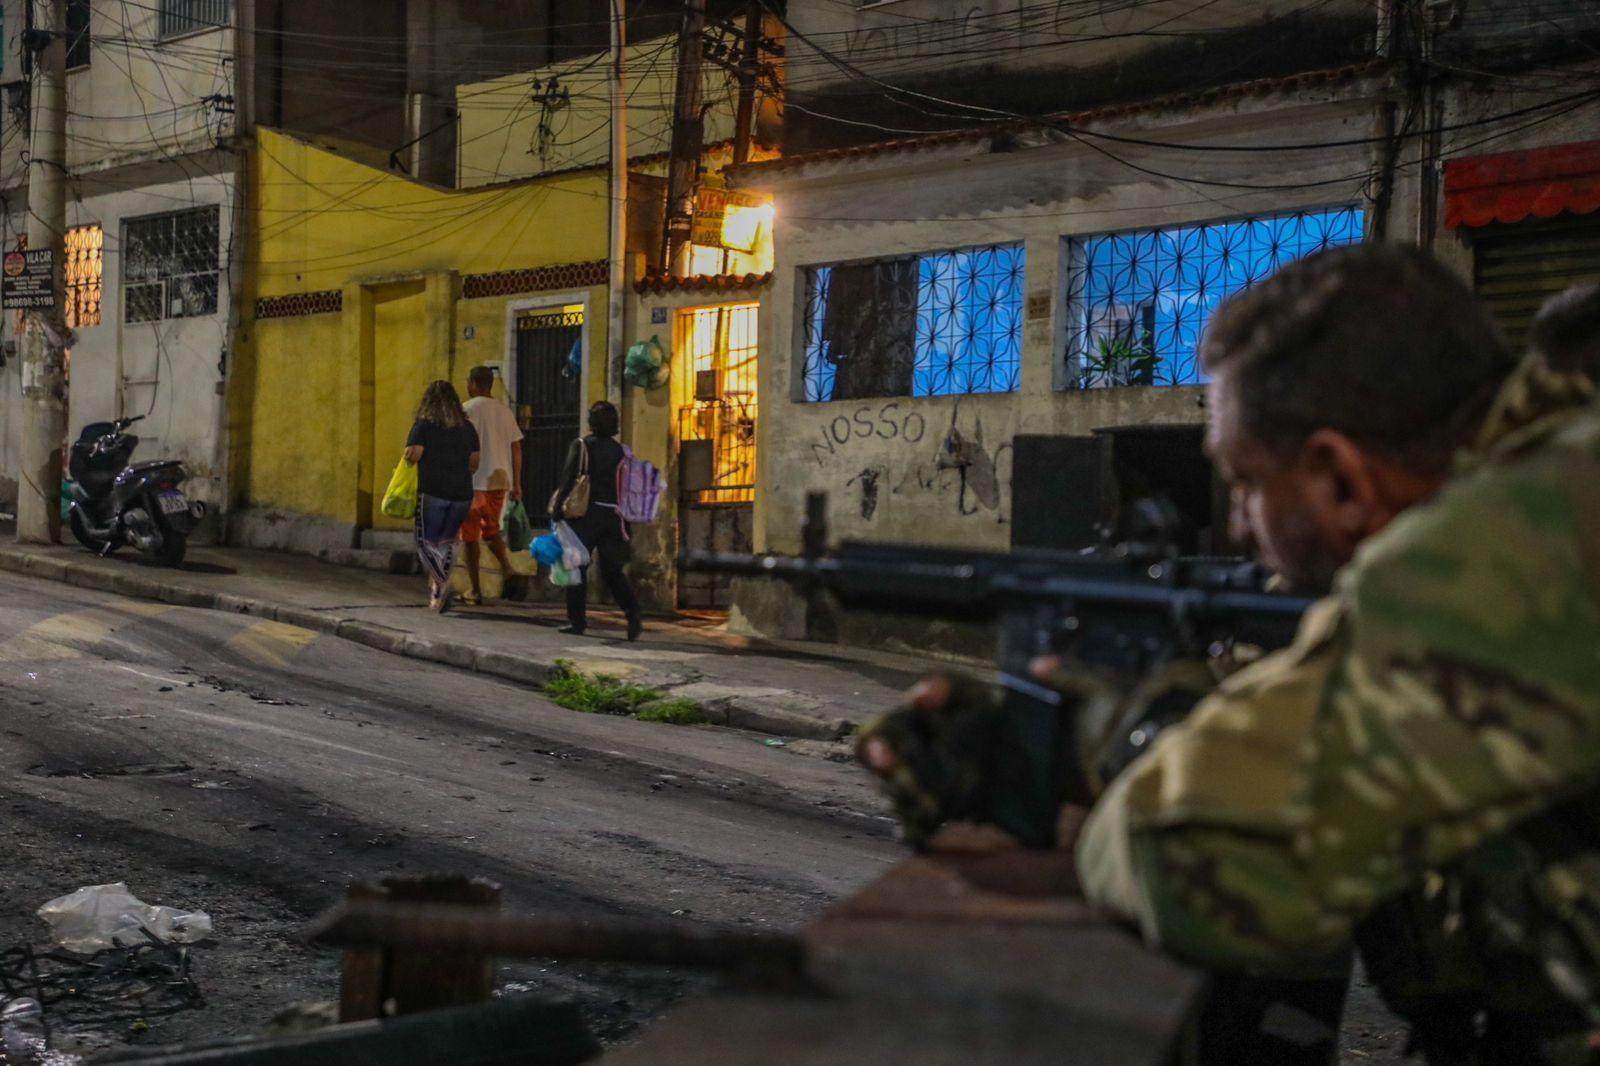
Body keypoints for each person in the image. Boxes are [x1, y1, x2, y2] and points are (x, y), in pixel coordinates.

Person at [856, 248, 1600, 1064]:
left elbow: (1187, 859)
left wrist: (1135, 733)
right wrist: (1050, 754)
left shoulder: (1518, 534)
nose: (1241, 527)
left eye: (1245, 483)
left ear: (1341, 481)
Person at [549, 400, 642, 640]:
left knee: (576, 566)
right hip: (613, 515)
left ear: (591, 422)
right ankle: (632, 614)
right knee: (612, 570)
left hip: (586, 516)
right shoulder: (621, 451)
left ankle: (577, 621)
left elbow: (568, 478)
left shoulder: (581, 446)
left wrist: (557, 508)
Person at [404, 380, 480, 613]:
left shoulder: (424, 425)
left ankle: (443, 582)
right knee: (446, 543)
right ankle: (437, 592)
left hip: (433, 491)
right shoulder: (468, 428)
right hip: (461, 495)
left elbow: (413, 455)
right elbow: (474, 464)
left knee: (425, 542)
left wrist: (411, 456)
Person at [460, 365, 525, 606]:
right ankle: (507, 569)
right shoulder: (504, 411)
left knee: (470, 537)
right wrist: (517, 482)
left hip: (474, 480)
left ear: (473, 383)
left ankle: (475, 589)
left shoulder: (466, 410)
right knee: (491, 530)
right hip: (500, 480)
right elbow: (516, 448)